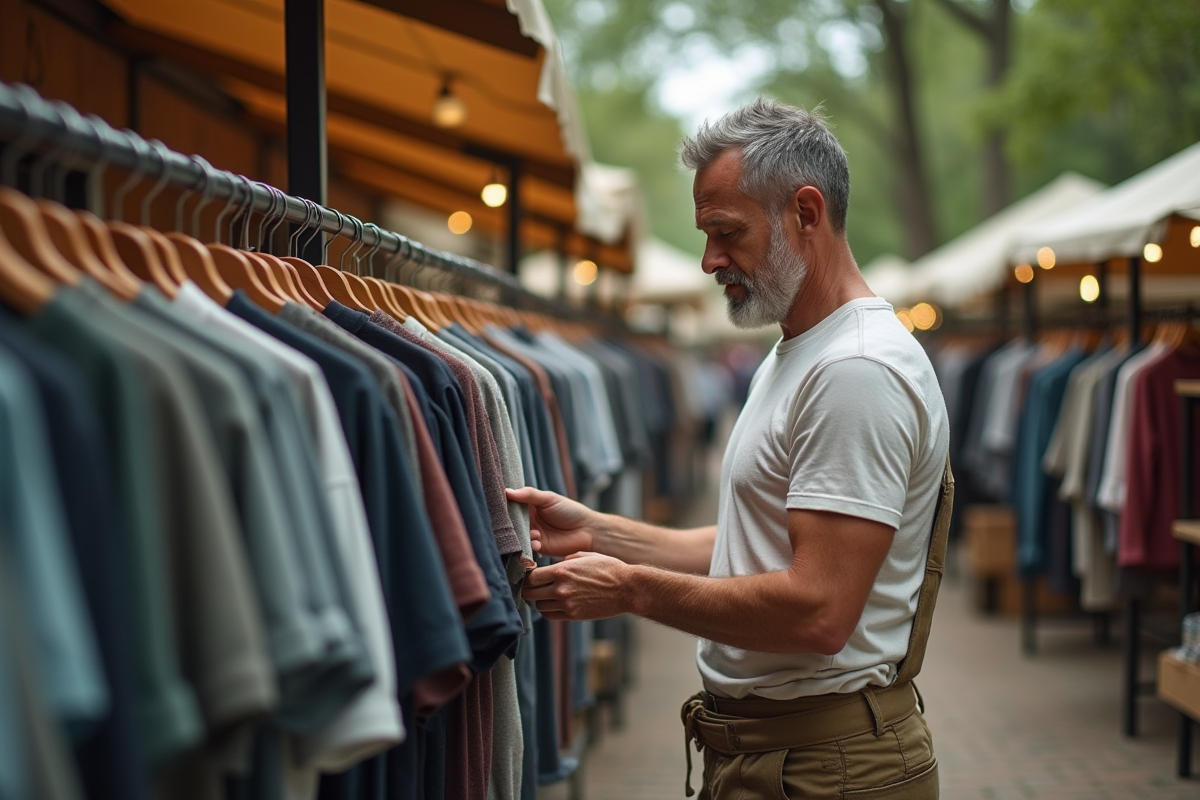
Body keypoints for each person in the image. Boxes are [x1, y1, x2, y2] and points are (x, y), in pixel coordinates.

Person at [508, 97, 952, 799]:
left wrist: (630, 588)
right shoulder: (802, 353)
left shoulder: (855, 369)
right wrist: (603, 533)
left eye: (726, 231)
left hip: (822, 768)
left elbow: (818, 610)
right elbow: (762, 543)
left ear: (806, 213)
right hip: (788, 758)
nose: (711, 259)